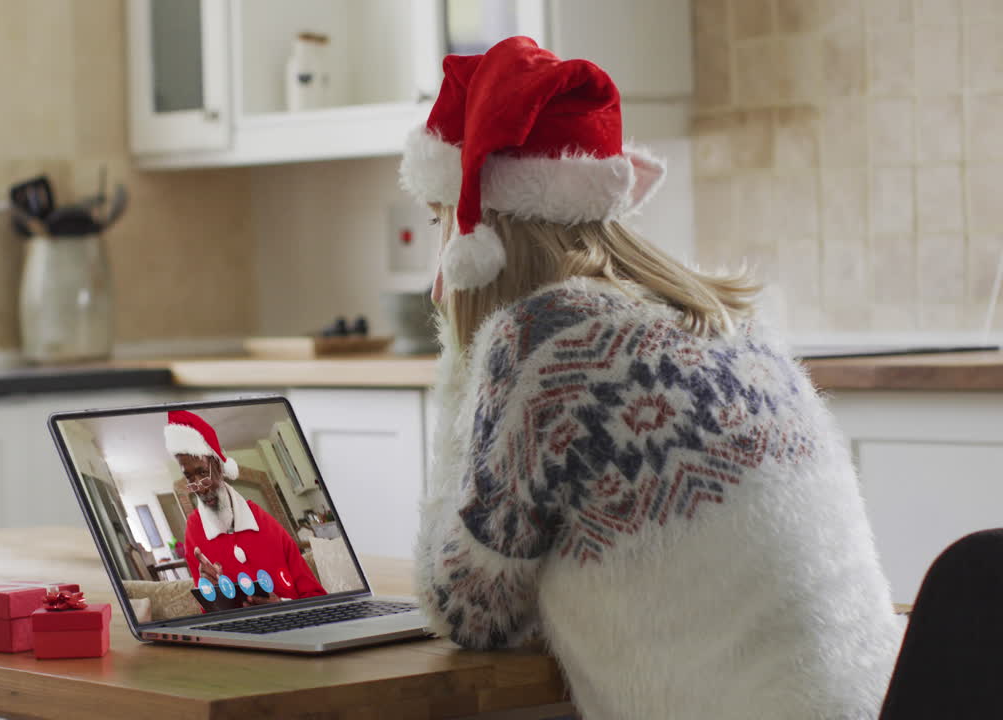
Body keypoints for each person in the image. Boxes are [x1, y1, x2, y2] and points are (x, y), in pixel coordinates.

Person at [403, 37, 903, 719]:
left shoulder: (541, 343)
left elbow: (468, 611)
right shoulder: (730, 321)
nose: (437, 284)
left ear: (479, 240)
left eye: (441, 223)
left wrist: (458, 372)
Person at [164, 410, 325, 608]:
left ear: (219, 466)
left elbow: (316, 596)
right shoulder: (194, 531)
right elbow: (208, 611)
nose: (200, 488)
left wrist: (283, 606)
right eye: (189, 478)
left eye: (203, 472)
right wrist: (212, 593)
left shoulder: (263, 521)